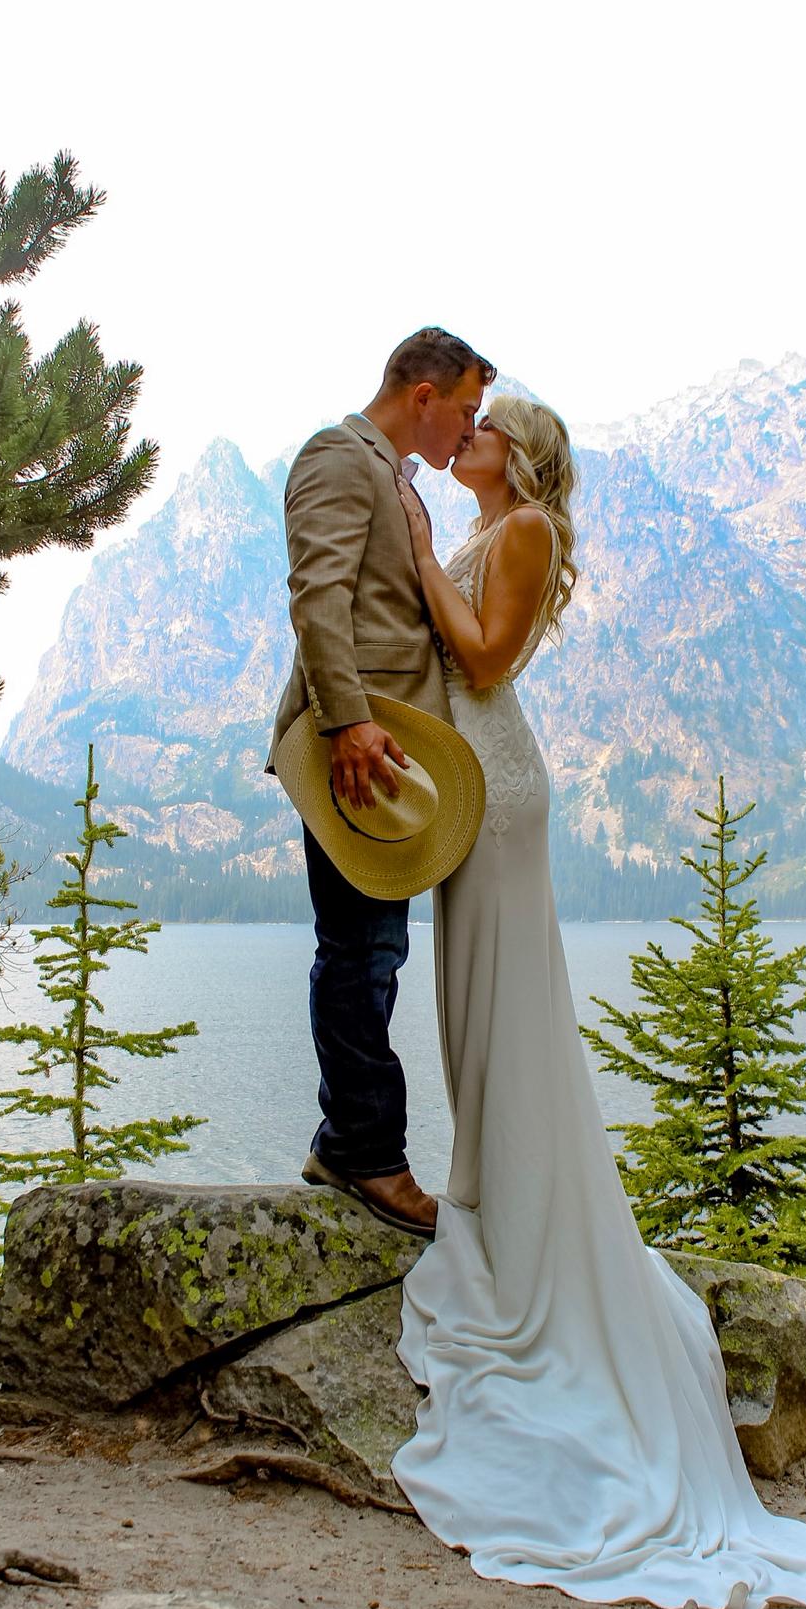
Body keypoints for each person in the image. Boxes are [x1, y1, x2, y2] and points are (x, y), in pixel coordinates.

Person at [389, 393, 806, 1609]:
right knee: (477, 1024)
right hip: (467, 788)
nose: (468, 438)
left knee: (503, 1016)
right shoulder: (494, 526)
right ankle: (500, 1208)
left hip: (498, 799)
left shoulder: (528, 532)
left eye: (486, 427)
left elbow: (487, 658)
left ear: (528, 454)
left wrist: (410, 548)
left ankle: (526, 1243)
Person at [264, 327, 496, 1239]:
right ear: (425, 392)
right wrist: (349, 721)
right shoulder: (338, 456)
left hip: (390, 751)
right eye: (466, 411)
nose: (466, 431)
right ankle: (366, 1154)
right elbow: (318, 594)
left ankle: (345, 1141)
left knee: (374, 950)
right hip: (355, 748)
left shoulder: (395, 476)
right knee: (360, 950)